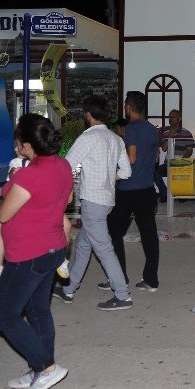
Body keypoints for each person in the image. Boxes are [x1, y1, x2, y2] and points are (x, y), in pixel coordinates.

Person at [0, 114, 73, 389]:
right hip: (52, 248)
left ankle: (47, 367)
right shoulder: (62, 165)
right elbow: (68, 199)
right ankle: (39, 368)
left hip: (29, 253)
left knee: (3, 315)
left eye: (18, 143)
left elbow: (3, 214)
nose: (16, 148)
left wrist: (12, 183)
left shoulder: (29, 174)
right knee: (38, 312)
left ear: (27, 146)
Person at [52, 95, 133, 311]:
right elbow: (126, 172)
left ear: (88, 115)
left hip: (92, 200)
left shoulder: (88, 138)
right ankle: (68, 289)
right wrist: (107, 177)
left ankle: (122, 295)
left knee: (104, 248)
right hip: (107, 200)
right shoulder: (116, 139)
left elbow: (66, 165)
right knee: (83, 244)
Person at [106, 91, 162, 293]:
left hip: (129, 190)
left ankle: (118, 277)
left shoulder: (131, 129)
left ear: (128, 107)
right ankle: (151, 280)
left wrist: (112, 170)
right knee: (149, 235)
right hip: (147, 189)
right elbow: (155, 159)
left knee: (112, 233)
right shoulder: (152, 130)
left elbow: (131, 159)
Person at [0, 157, 71, 291]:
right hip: (18, 203)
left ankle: (61, 259)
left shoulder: (52, 163)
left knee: (66, 225)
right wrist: (14, 174)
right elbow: (11, 182)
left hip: (42, 204)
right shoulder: (17, 162)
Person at [156, 109, 194, 202]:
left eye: (173, 117)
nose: (171, 119)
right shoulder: (166, 132)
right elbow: (164, 148)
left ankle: (180, 194)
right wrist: (170, 135)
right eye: (170, 117)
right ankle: (164, 194)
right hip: (167, 164)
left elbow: (189, 151)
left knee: (181, 199)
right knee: (153, 171)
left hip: (179, 163)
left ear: (179, 118)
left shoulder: (186, 133)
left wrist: (181, 162)